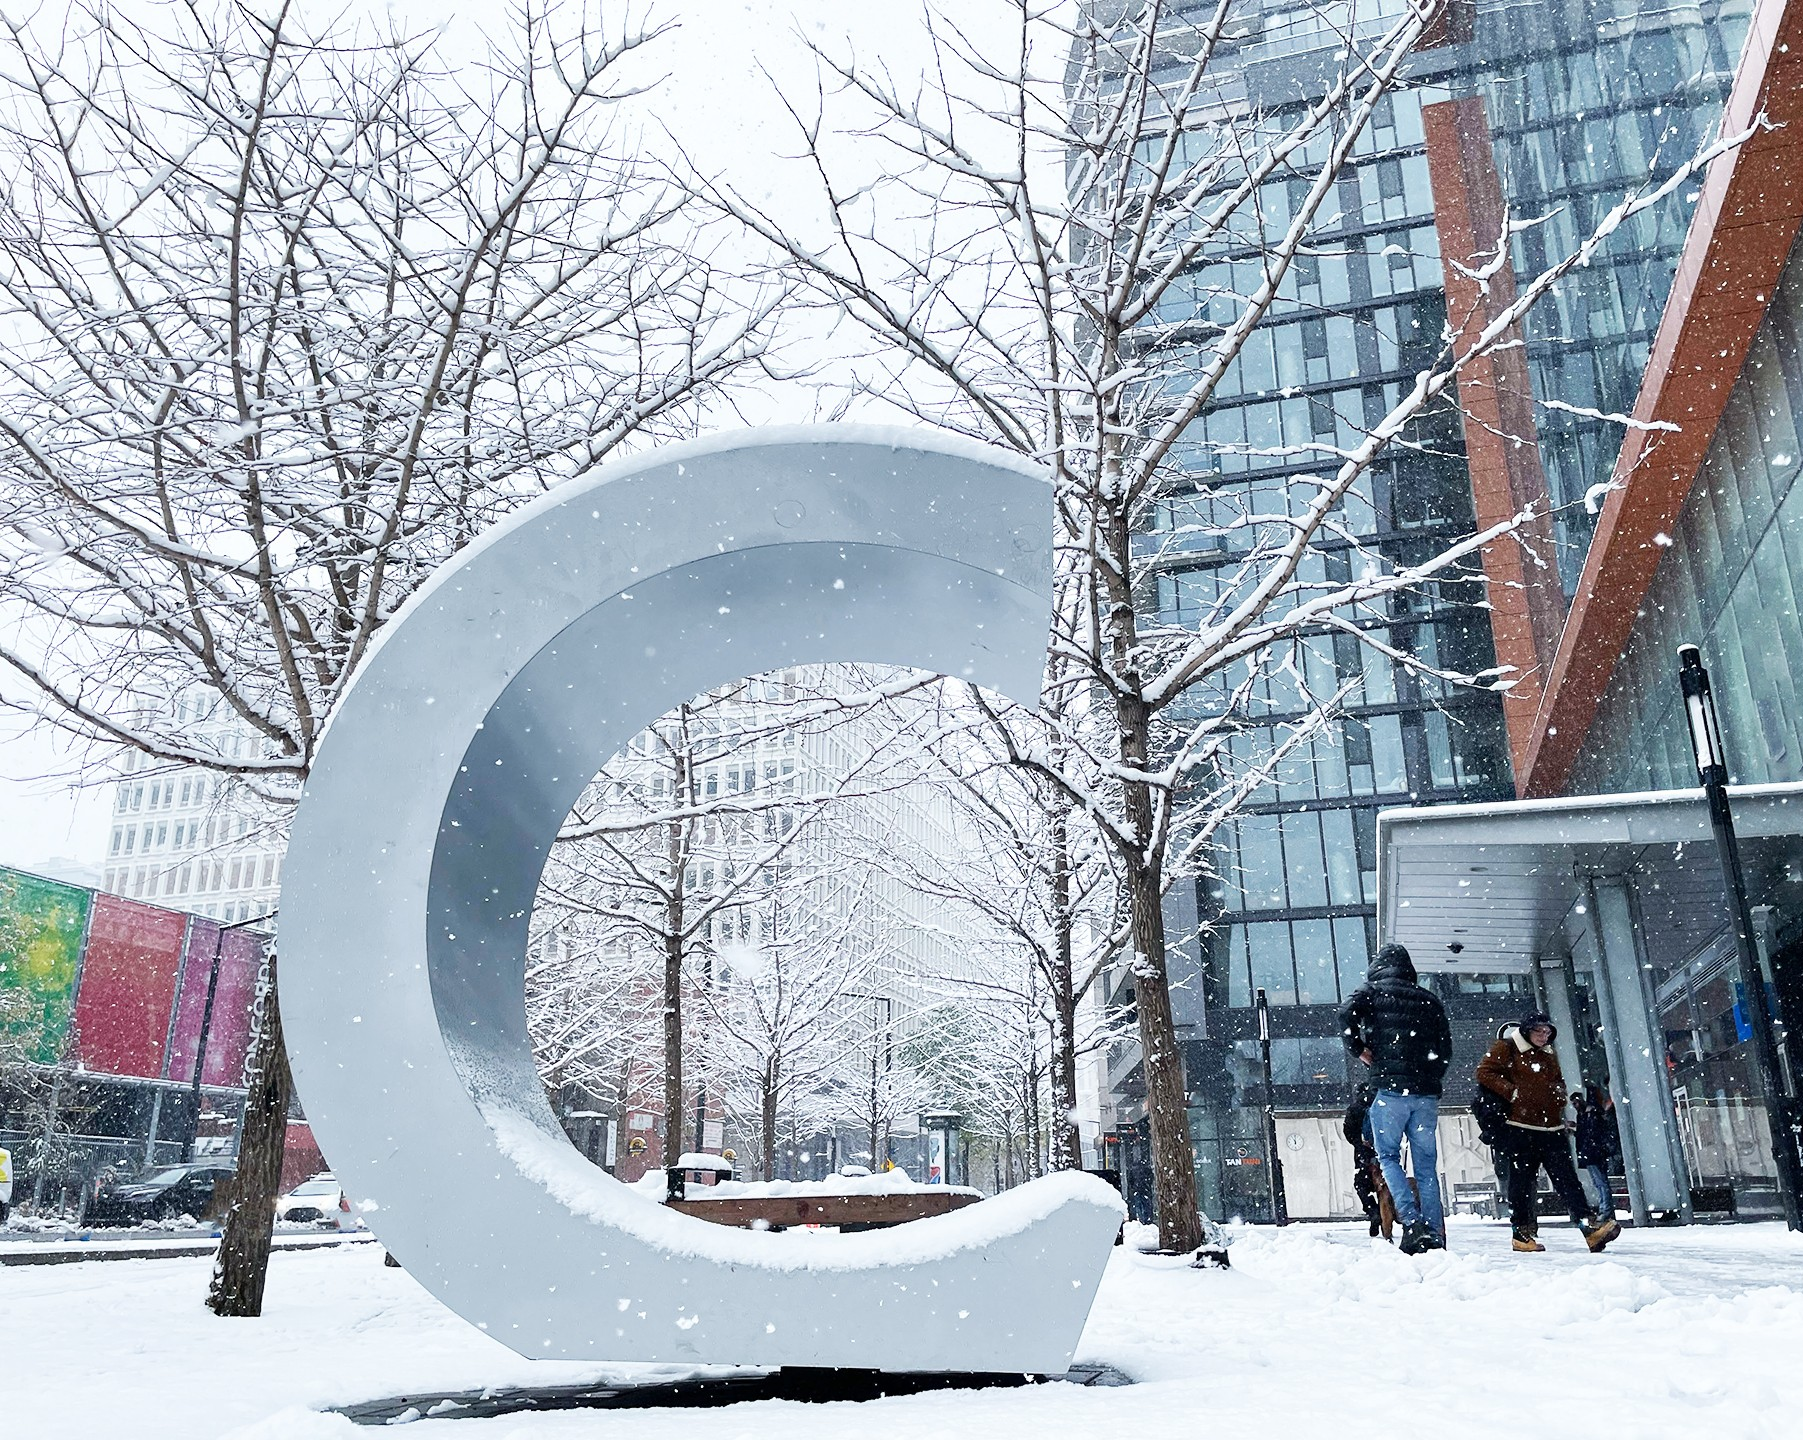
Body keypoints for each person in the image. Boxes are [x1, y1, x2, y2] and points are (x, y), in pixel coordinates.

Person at [1339, 943, 1451, 1255]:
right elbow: (1445, 1050)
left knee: (1388, 1157)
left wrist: (1359, 1049)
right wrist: (1430, 1078)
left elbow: (1345, 1014)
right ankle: (1435, 1231)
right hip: (1425, 1095)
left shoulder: (1372, 992)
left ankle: (1411, 1224)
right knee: (1427, 1167)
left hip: (1390, 1090)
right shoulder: (1429, 999)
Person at [1477, 1013, 1620, 1253]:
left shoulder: (1547, 1054)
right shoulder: (1507, 1048)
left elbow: (1557, 1080)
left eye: (1547, 1032)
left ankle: (1589, 1228)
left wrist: (1559, 1095)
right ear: (1526, 1031)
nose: (1544, 1036)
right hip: (1521, 1127)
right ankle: (1521, 1234)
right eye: (1538, 1032)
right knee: (1521, 1182)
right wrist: (1513, 1093)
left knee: (1567, 1181)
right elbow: (1484, 1073)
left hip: (1552, 1127)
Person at [1572, 1084, 1621, 1221]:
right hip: (1593, 1152)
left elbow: (1589, 1133)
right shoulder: (1591, 1113)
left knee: (1600, 1183)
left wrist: (1578, 1130)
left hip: (1592, 1153)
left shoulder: (1589, 1114)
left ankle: (1606, 1209)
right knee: (1600, 1183)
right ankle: (1605, 1209)